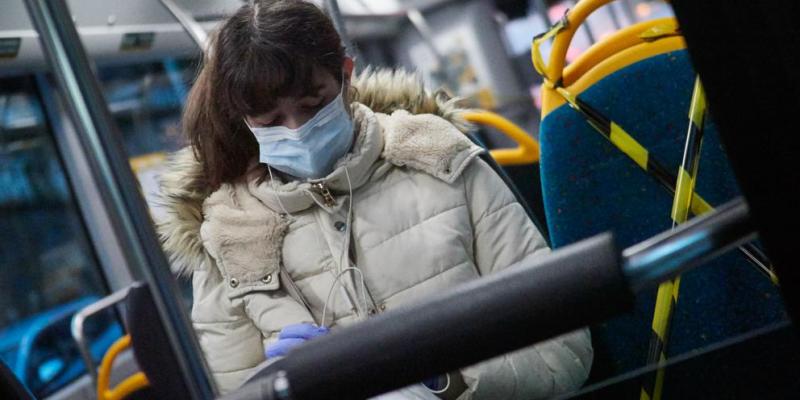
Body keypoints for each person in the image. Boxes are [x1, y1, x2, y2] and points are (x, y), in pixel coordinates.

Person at [157, 0, 592, 398]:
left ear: (345, 75)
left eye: (313, 105)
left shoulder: (442, 164)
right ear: (244, 120)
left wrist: (445, 377)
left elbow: (564, 351)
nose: (296, 131)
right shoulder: (229, 237)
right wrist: (284, 390)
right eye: (271, 120)